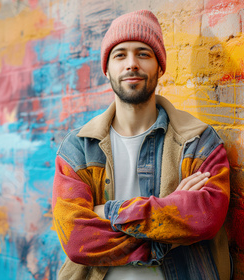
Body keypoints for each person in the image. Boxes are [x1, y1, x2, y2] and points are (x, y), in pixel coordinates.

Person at [52, 9, 231, 280]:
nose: (131, 63)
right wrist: (168, 219)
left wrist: (109, 211)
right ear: (107, 69)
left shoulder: (198, 142)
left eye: (143, 53)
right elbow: (77, 239)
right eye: (120, 54)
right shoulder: (78, 148)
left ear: (160, 66)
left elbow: (204, 217)